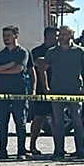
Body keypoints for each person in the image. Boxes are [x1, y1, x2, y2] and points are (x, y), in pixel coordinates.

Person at [0, 25, 31, 159]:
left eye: (8, 35)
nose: (6, 38)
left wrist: (1, 70)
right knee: (2, 122)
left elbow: (18, 69)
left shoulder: (22, 52)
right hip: (2, 91)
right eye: (4, 36)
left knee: (20, 121)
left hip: (19, 91)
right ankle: (2, 150)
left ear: (16, 35)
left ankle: (21, 151)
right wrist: (9, 65)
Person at [45, 25, 84, 159]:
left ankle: (80, 150)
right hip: (57, 90)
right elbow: (43, 69)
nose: (61, 37)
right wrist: (46, 88)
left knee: (77, 122)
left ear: (71, 35)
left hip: (75, 91)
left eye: (64, 34)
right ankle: (59, 151)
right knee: (58, 123)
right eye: (60, 34)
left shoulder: (79, 51)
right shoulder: (52, 52)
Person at [28, 25, 58, 155]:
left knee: (56, 119)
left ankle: (58, 147)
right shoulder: (36, 51)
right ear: (47, 36)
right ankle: (32, 145)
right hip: (41, 89)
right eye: (54, 36)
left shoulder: (58, 51)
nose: (56, 38)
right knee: (39, 118)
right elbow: (35, 68)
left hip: (57, 88)